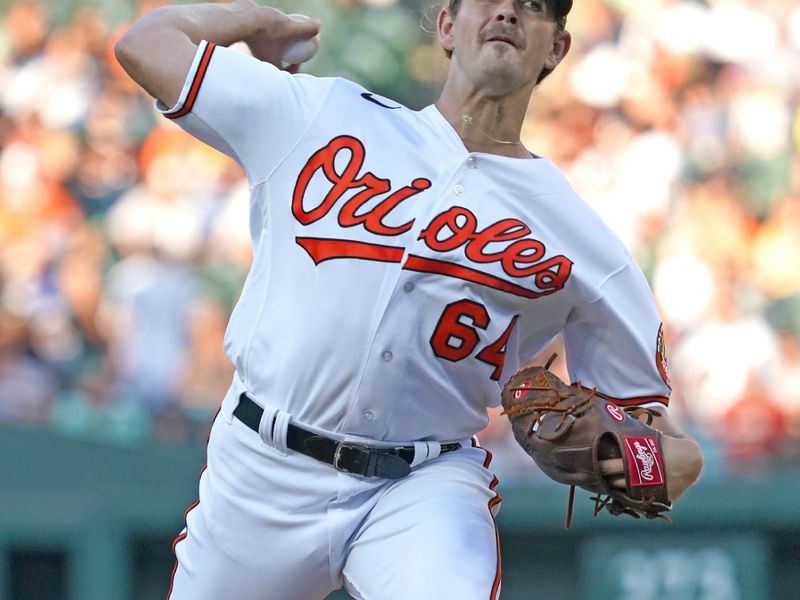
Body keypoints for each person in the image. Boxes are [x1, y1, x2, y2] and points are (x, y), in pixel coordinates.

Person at [115, 0, 702, 598]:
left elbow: (667, 443)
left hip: (421, 484)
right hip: (263, 467)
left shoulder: (585, 241)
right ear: (447, 26)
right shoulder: (322, 114)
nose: (507, 13)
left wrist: (647, 465)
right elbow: (147, 44)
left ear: (556, 48)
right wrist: (258, 18)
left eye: (532, 6)